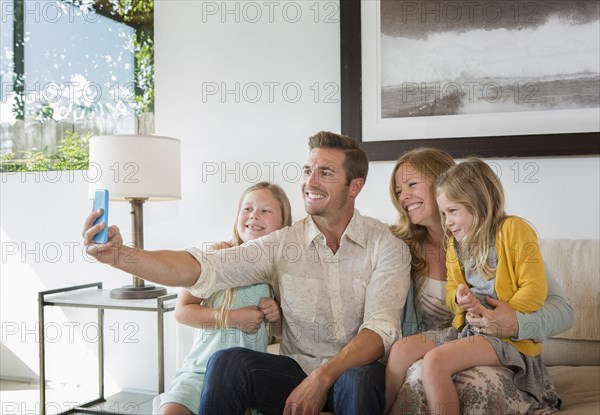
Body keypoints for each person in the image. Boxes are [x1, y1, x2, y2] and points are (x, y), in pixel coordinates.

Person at [83, 131, 411, 415]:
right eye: (307, 170)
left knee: (359, 379)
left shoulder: (386, 245)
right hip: (295, 372)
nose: (310, 182)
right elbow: (204, 267)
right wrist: (121, 256)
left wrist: (323, 377)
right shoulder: (282, 243)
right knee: (227, 363)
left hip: (351, 375)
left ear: (355, 186)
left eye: (325, 173)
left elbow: (380, 330)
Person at [385, 157, 562, 415]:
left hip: (507, 340)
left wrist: (500, 317)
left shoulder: (514, 230)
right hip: (469, 331)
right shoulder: (456, 244)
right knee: (401, 351)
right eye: (445, 213)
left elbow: (535, 292)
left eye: (453, 211)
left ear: (479, 203)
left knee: (434, 362)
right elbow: (451, 292)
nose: (448, 222)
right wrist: (459, 299)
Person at [158, 182, 291, 415]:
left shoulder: (280, 272)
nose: (254, 216)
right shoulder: (217, 258)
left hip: (243, 380)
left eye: (266, 210)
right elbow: (182, 311)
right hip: (198, 372)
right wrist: (231, 318)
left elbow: (282, 335)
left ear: (283, 224)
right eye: (247, 208)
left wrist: (276, 317)